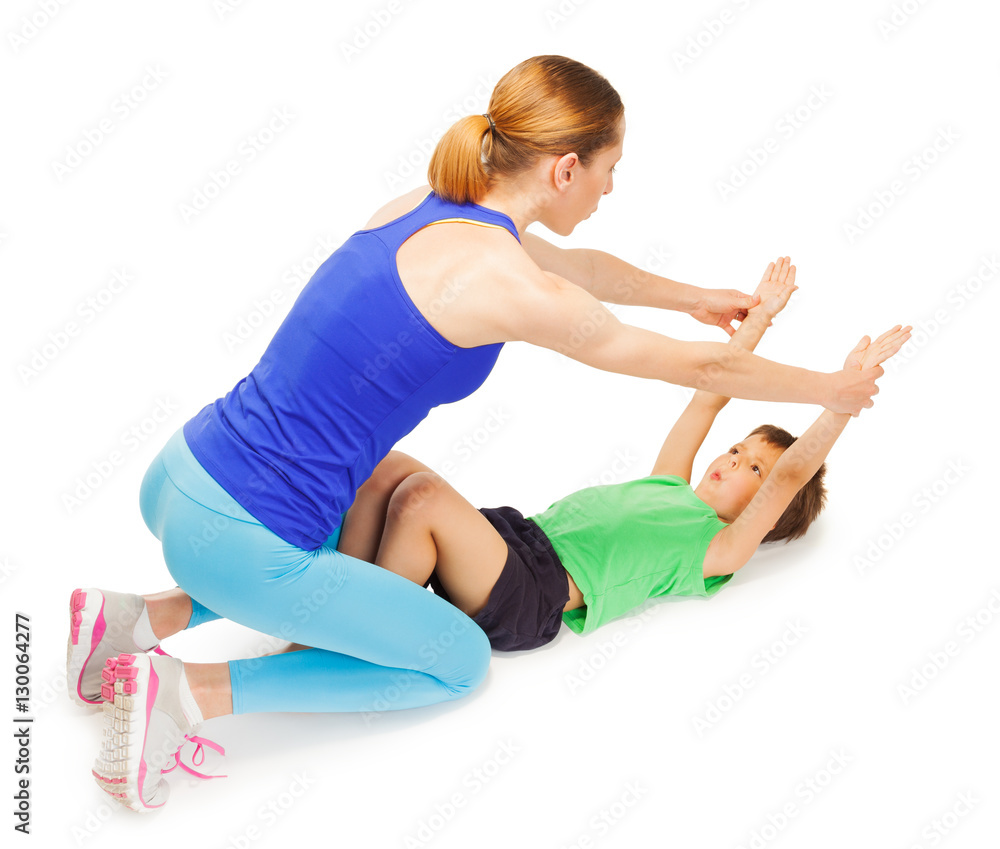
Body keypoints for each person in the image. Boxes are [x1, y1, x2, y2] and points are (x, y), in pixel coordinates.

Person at [68, 55, 885, 813]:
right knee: (455, 663)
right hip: (238, 536)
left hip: (181, 472)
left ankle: (135, 619)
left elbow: (589, 270)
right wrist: (832, 390)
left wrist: (694, 298)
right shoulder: (512, 284)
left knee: (380, 475)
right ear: (567, 168)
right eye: (608, 171)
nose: (607, 190)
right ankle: (183, 693)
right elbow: (703, 377)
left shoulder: (426, 213)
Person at [283, 258, 911, 650]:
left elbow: (793, 472)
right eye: (738, 449)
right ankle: (335, 589)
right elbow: (709, 395)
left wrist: (839, 399)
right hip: (512, 537)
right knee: (391, 467)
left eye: (753, 470)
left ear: (769, 515)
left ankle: (357, 635)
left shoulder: (715, 550)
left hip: (533, 592)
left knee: (419, 498)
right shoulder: (670, 483)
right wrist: (761, 318)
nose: (731, 460)